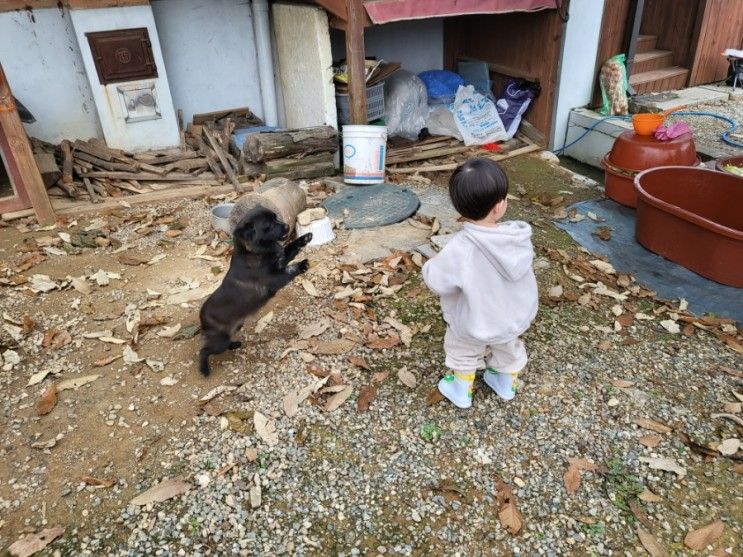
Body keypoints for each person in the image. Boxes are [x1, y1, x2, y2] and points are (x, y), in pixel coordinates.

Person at [422, 158, 538, 409]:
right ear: (499, 207)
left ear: (459, 207)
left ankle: (461, 388)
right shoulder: (517, 238)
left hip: (477, 320)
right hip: (512, 318)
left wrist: (428, 268)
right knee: (508, 347)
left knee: (462, 347)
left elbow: (438, 281)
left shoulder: (462, 247)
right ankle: (506, 382)